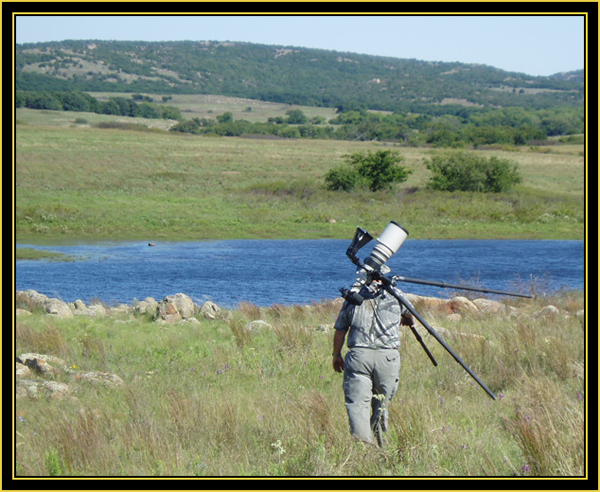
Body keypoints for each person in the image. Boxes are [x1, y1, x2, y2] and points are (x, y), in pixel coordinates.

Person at [332, 274, 415, 446]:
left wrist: (336, 355)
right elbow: (410, 316)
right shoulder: (397, 295)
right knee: (382, 403)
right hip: (388, 358)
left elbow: (340, 330)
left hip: (359, 356)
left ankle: (363, 446)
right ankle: (381, 442)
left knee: (357, 404)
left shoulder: (354, 297)